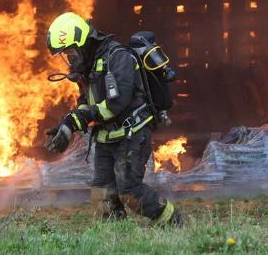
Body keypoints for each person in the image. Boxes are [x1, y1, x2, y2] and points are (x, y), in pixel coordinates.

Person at [43, 12, 182, 226]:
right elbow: (85, 102)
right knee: (102, 196)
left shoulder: (119, 57)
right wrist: (68, 123)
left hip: (131, 135)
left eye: (70, 52)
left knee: (130, 194)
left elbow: (116, 104)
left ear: (83, 43)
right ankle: (115, 239)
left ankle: (175, 222)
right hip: (106, 138)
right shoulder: (87, 67)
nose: (69, 58)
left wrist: (80, 118)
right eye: (65, 54)